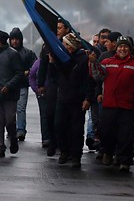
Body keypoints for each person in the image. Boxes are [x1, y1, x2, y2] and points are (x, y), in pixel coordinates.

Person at [89, 36, 134, 172]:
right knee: (106, 131)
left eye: (126, 46)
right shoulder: (106, 62)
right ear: (116, 48)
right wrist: (93, 63)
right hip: (109, 104)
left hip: (127, 106)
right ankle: (108, 153)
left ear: (130, 49)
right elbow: (97, 76)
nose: (123, 49)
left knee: (126, 135)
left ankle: (124, 161)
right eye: (120, 46)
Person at [54, 33, 95, 168]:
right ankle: (64, 152)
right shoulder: (61, 58)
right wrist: (51, 64)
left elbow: (89, 80)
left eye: (66, 44)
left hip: (77, 99)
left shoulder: (83, 59)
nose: (64, 47)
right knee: (59, 126)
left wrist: (88, 98)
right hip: (62, 98)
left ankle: (76, 156)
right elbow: (53, 77)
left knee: (76, 129)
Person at [0, 30, 24, 158]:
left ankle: (13, 139)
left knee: (9, 121)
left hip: (10, 96)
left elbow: (19, 73)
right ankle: (0, 146)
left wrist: (9, 85)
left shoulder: (13, 55)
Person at [37, 18, 70, 157]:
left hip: (65, 85)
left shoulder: (69, 45)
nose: (57, 31)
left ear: (67, 30)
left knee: (63, 118)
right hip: (51, 84)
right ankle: (52, 142)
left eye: (60, 28)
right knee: (49, 115)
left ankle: (64, 145)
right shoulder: (47, 45)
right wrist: (40, 84)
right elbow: (42, 66)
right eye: (56, 28)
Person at [9, 27, 37, 142]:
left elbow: (35, 66)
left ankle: (20, 130)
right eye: (12, 39)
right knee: (10, 110)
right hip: (10, 85)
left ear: (20, 40)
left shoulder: (28, 53)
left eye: (17, 39)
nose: (14, 41)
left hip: (21, 85)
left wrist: (29, 71)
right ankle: (11, 130)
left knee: (20, 109)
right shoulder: (7, 53)